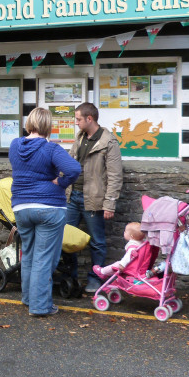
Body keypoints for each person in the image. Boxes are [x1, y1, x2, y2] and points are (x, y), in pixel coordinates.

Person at [9, 107, 81, 317]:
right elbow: (74, 169)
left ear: (29, 123)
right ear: (48, 126)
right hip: (49, 208)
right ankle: (40, 306)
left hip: (21, 207)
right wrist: (60, 181)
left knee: (29, 253)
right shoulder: (51, 149)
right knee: (44, 257)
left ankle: (28, 298)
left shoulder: (15, 145)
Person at [64, 102, 124, 294]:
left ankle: (95, 279)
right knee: (67, 238)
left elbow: (115, 176)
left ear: (90, 119)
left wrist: (110, 204)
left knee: (97, 242)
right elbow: (69, 161)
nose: (76, 122)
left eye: (79, 119)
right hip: (72, 196)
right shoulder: (80, 137)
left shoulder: (109, 142)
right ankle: (69, 278)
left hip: (94, 200)